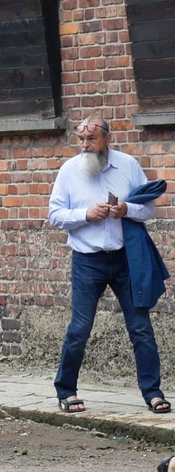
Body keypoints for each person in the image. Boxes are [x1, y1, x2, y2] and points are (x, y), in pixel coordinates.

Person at [48, 116, 170, 414]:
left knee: (140, 327)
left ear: (106, 139)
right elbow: (54, 215)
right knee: (80, 327)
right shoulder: (69, 170)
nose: (85, 146)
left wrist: (128, 208)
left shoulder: (128, 165)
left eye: (91, 139)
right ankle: (66, 390)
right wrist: (85, 214)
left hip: (126, 259)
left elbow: (151, 208)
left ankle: (153, 392)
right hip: (87, 261)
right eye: (81, 140)